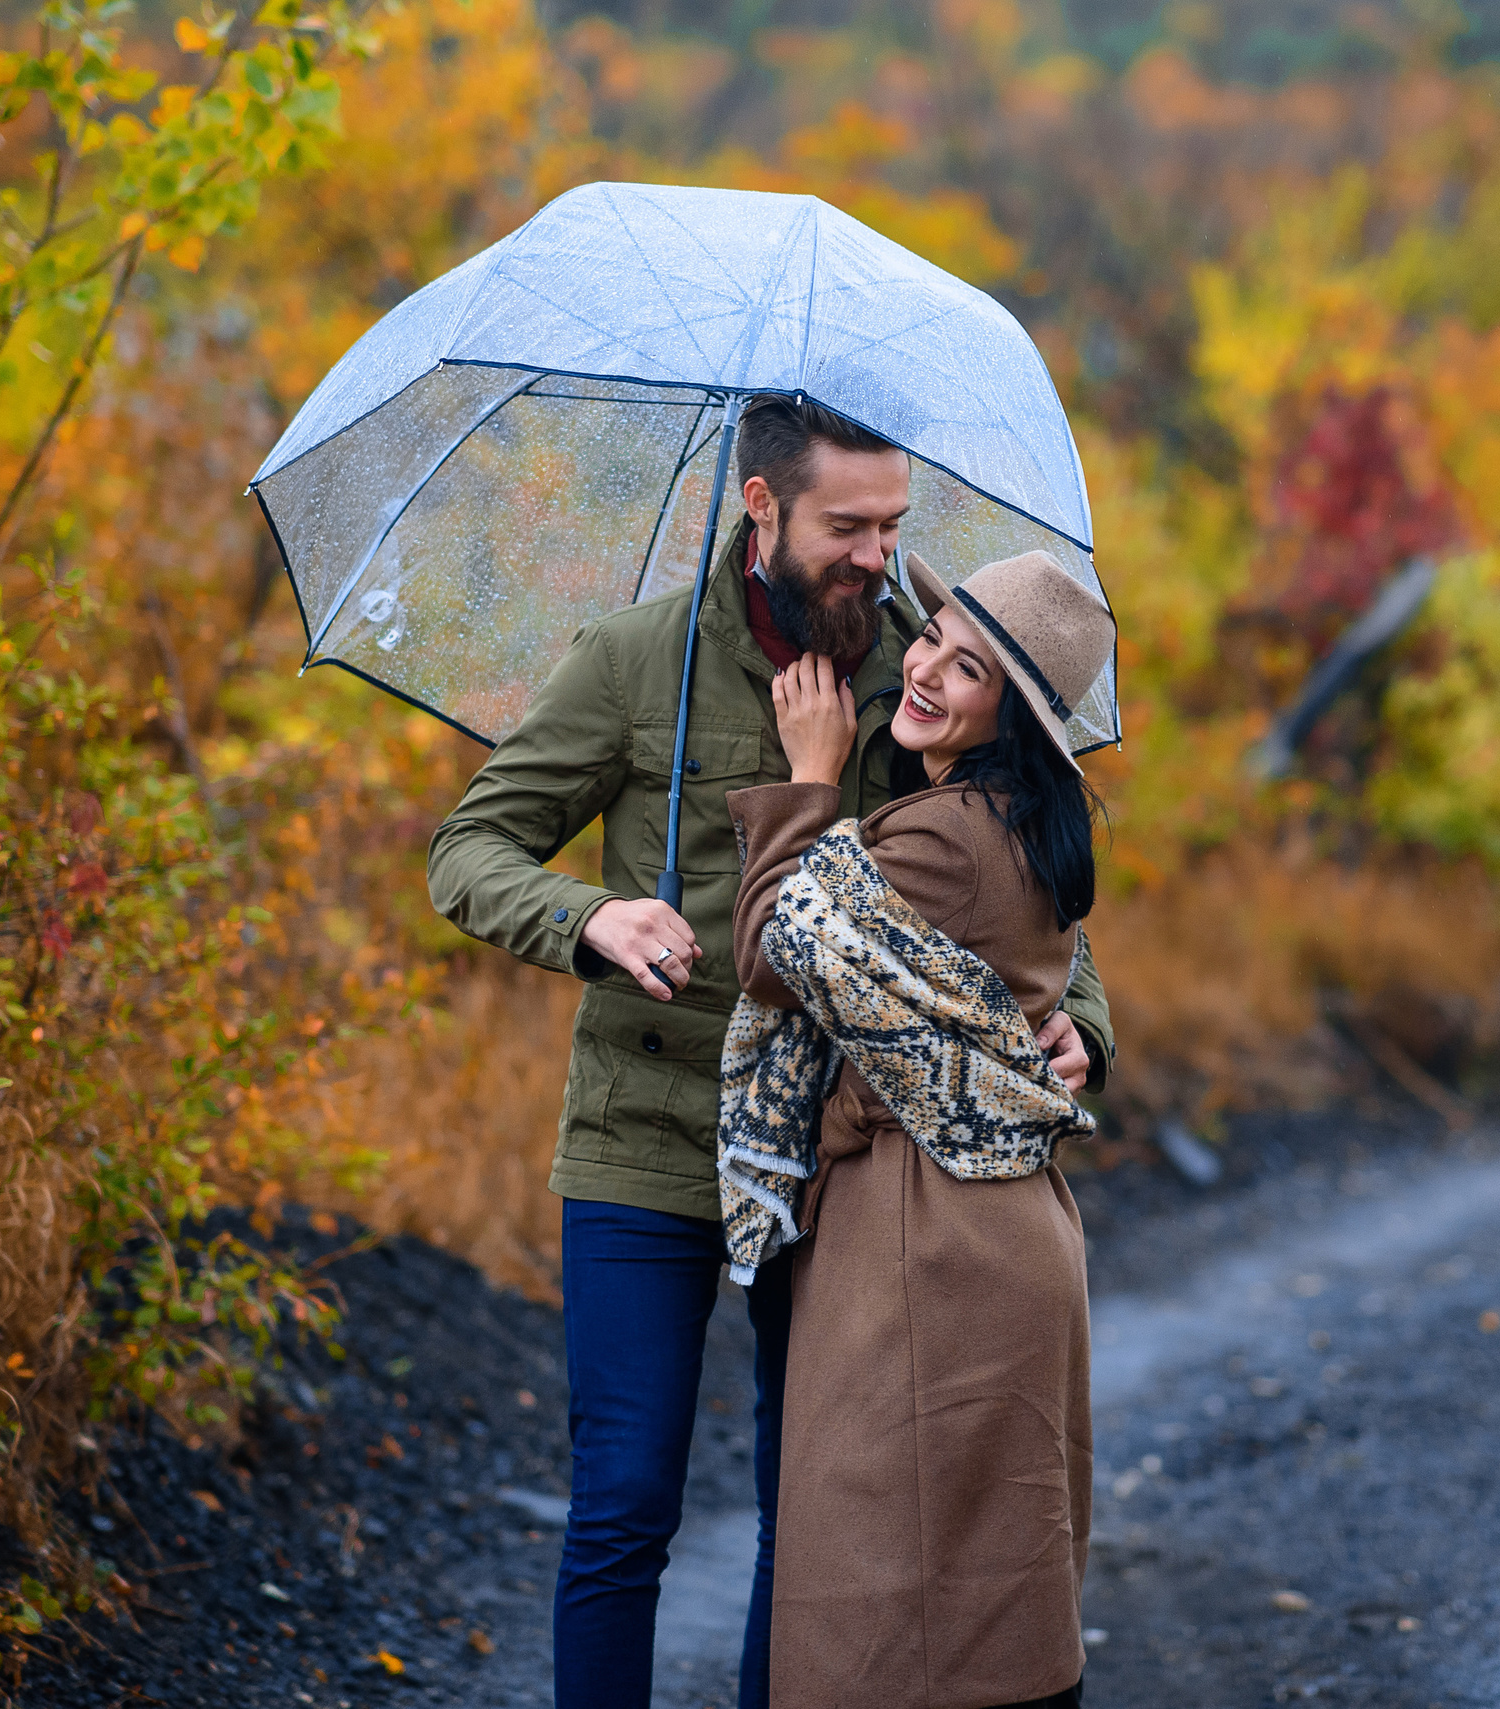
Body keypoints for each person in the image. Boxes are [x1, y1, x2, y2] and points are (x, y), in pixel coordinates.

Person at [425, 398, 1116, 1709]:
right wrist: (588, 917)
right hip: (645, 1137)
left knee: (814, 1507)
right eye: (849, 526)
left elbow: (1028, 884)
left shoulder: (928, 674)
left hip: (833, 1171)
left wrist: (1079, 1024)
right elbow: (468, 851)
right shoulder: (637, 661)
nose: (876, 555)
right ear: (761, 508)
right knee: (624, 1505)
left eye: (894, 526)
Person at [722, 548, 1114, 1709]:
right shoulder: (1011, 824)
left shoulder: (944, 837)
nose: (929, 668)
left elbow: (775, 949)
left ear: (1014, 721)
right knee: (989, 1586)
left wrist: (808, 773)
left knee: (887, 1601)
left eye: (971, 668)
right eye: (934, 633)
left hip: (925, 1240)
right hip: (990, 1230)